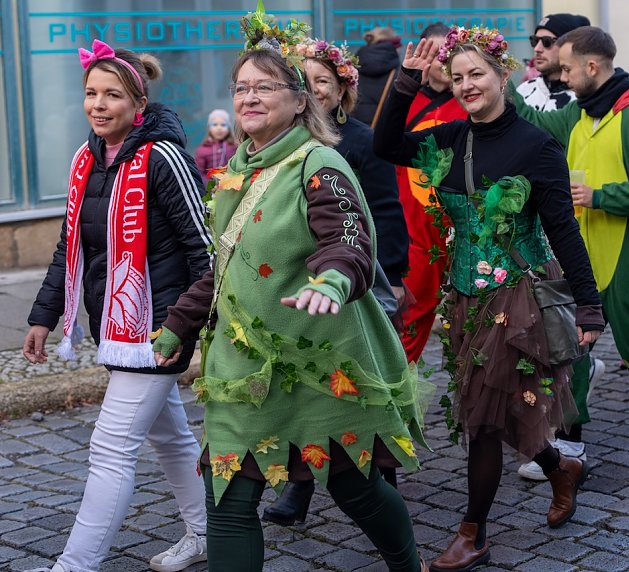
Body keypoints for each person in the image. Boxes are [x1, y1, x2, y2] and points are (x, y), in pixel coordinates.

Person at [151, 8, 430, 572]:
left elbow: (347, 237)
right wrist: (179, 322)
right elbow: (226, 263)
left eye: (265, 87)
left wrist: (332, 279)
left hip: (319, 366)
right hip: (241, 371)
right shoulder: (237, 169)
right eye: (241, 87)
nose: (248, 97)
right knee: (227, 501)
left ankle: (407, 564)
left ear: (301, 100)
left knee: (355, 489)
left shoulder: (319, 163)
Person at [375, 27, 605, 571]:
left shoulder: (535, 145)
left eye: (476, 74)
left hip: (518, 295)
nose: (465, 85)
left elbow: (564, 230)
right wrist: (406, 81)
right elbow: (384, 145)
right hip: (465, 298)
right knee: (498, 412)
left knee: (480, 418)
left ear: (503, 74)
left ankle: (472, 532)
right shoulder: (452, 139)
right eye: (456, 78)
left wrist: (589, 304)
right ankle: (559, 468)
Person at [23, 40, 210, 572]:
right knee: (171, 438)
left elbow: (203, 248)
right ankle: (206, 533)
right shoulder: (87, 161)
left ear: (138, 104)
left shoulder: (164, 158)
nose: (98, 105)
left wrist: (185, 326)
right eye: (90, 94)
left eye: (112, 95)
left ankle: (75, 565)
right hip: (115, 322)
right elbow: (71, 245)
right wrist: (43, 315)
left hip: (158, 325)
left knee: (109, 448)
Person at [513, 26, 629, 471]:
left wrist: (599, 196)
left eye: (569, 69)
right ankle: (570, 440)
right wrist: (497, 82)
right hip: (582, 254)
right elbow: (535, 125)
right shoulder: (581, 112)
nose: (564, 77)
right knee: (570, 347)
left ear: (592, 67)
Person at [261, 36, 409, 526]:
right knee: (308, 385)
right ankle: (301, 490)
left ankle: (383, 487)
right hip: (302, 284)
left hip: (357, 278)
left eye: (322, 81)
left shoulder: (360, 141)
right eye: (305, 79)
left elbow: (386, 212)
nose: (313, 88)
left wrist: (395, 275)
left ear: (341, 90)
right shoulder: (281, 144)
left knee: (362, 386)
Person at [395, 22, 469, 364]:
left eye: (450, 53)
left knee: (473, 320)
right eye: (437, 52)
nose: (443, 60)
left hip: (466, 230)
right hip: (414, 230)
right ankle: (397, 394)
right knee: (411, 314)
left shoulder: (472, 102)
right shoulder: (403, 101)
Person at [517, 13, 590, 111]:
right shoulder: (524, 90)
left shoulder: (584, 98)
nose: (537, 49)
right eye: (534, 40)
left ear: (570, 46)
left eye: (547, 41)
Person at [353, 26, 402, 127]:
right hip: (385, 135)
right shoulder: (399, 73)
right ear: (394, 47)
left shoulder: (352, 68)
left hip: (356, 132)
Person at [194, 108, 238, 185]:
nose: (219, 128)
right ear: (209, 128)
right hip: (210, 189)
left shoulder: (234, 147)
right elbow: (199, 173)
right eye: (215, 125)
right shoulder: (202, 150)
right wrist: (210, 185)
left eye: (223, 125)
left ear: (229, 128)